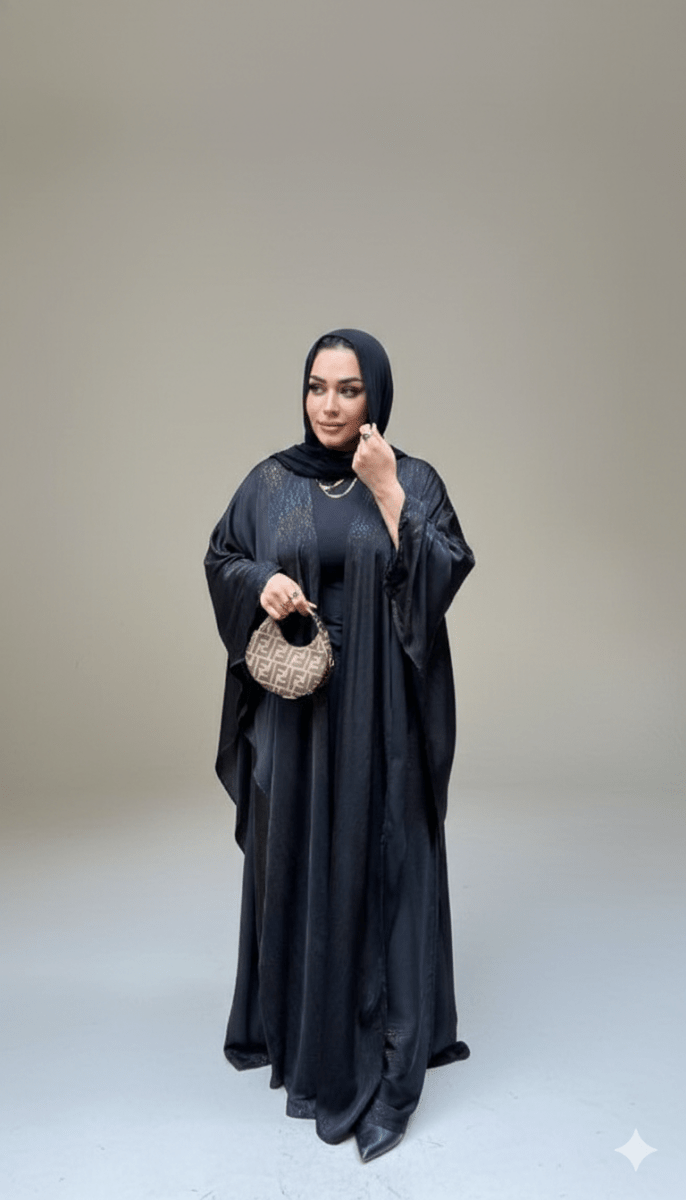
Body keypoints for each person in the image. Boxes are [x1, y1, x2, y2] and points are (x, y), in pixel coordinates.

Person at [204, 328, 475, 1162]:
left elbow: (443, 573)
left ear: (375, 396)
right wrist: (262, 583)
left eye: (348, 389)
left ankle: (390, 1064)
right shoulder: (270, 481)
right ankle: (304, 1035)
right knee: (295, 853)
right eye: (317, 387)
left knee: (386, 858)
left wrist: (387, 490)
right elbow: (223, 558)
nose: (329, 405)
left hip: (381, 706)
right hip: (297, 706)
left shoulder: (413, 478)